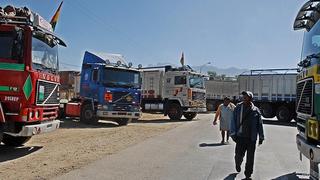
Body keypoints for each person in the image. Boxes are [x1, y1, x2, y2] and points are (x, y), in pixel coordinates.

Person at [230, 91, 265, 180]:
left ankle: (248, 174)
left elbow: (259, 124)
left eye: (246, 97)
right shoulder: (238, 107)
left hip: (251, 139)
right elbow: (233, 120)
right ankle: (238, 163)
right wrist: (233, 133)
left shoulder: (255, 110)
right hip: (240, 137)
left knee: (250, 158)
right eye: (243, 96)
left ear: (250, 98)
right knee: (238, 155)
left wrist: (261, 136)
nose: (244, 98)